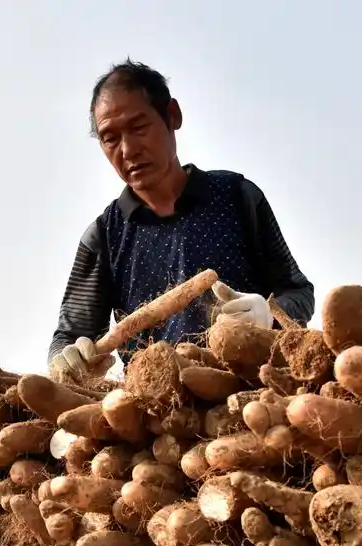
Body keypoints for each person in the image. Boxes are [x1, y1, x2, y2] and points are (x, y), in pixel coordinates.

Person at [49, 60, 316, 381]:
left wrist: (268, 315)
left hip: (249, 384)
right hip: (151, 405)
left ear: (172, 115)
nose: (129, 149)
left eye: (138, 127)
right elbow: (68, 336)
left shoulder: (237, 197)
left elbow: (298, 291)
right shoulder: (104, 236)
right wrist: (66, 360)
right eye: (110, 138)